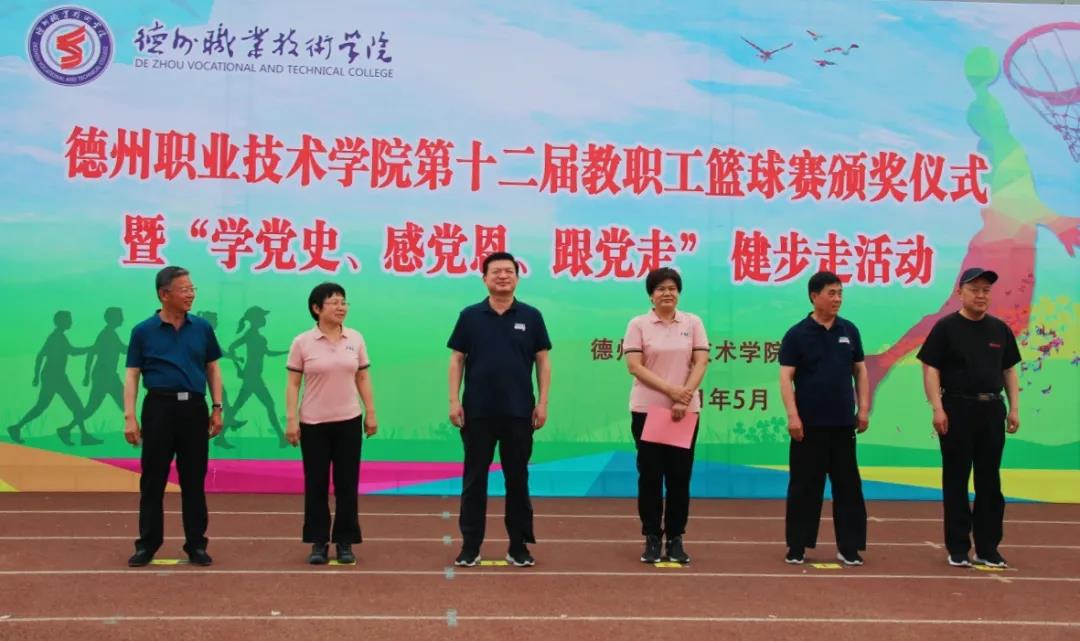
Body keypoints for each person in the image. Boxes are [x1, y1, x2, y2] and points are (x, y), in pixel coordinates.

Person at [448, 251, 552, 567]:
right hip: (477, 412)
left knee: (517, 481)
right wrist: (454, 400)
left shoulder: (532, 316)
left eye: (509, 271)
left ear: (517, 277)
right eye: (496, 272)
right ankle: (470, 546)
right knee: (474, 481)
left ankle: (518, 547)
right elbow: (457, 359)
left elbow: (543, 360)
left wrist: (543, 402)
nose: (503, 276)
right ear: (485, 279)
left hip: (519, 412)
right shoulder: (470, 315)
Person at [916, 267, 1020, 568]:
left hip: (992, 409)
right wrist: (937, 408)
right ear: (960, 292)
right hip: (957, 409)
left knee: (990, 481)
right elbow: (931, 369)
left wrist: (1014, 408)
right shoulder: (946, 328)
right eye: (974, 289)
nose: (981, 295)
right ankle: (958, 547)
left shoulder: (999, 329)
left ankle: (988, 548)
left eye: (986, 290)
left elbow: (1009, 370)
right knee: (956, 479)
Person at [124, 266, 223, 567]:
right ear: (164, 294)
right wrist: (130, 416)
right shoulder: (143, 331)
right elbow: (132, 374)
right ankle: (147, 545)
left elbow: (213, 367)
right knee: (153, 480)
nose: (190, 294)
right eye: (184, 289)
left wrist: (217, 407)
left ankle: (196, 545)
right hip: (159, 408)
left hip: (194, 408)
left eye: (192, 289)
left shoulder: (202, 327)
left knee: (193, 479)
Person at [778, 271, 869, 566]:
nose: (837, 299)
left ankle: (849, 547)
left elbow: (860, 370)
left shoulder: (849, 330)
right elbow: (786, 377)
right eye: (831, 293)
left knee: (848, 487)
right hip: (808, 426)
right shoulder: (797, 334)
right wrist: (793, 416)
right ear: (814, 296)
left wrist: (863, 409)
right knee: (804, 487)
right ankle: (797, 546)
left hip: (843, 423)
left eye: (840, 293)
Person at [285, 283, 377, 565]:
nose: (341, 307)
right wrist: (291, 419)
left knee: (347, 484)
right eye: (334, 302)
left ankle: (345, 541)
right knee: (316, 484)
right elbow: (293, 383)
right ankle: (318, 542)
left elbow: (363, 377)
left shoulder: (355, 338)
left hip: (349, 420)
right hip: (313, 422)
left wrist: (370, 412)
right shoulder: (303, 342)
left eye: (343, 302)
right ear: (316, 308)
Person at [622, 267, 708, 564]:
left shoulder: (692, 322)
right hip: (648, 410)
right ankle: (651, 537)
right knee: (650, 476)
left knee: (679, 477)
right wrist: (671, 391)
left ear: (678, 293)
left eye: (672, 288)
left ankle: (675, 538)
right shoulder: (638, 324)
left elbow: (701, 362)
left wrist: (684, 396)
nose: (667, 293)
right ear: (651, 295)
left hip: (684, 412)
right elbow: (635, 366)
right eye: (660, 289)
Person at [7, 310, 97, 446]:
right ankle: (77, 434)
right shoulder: (56, 337)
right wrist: (90, 348)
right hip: (55, 377)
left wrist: (37, 375)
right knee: (74, 406)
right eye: (68, 320)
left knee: (46, 406)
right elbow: (66, 352)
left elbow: (44, 355)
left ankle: (17, 427)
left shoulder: (58, 336)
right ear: (62, 322)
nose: (71, 322)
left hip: (55, 376)